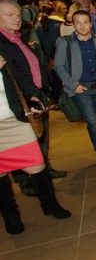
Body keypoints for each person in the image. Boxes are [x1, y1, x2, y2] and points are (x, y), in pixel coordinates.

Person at [0, 57, 71, 234]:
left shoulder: (3, 53)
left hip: (15, 120)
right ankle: (11, 217)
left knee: (38, 166)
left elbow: (21, 77)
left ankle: (50, 205)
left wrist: (34, 96)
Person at [54, 10, 96, 170]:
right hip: (82, 89)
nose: (82, 25)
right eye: (78, 22)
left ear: (91, 23)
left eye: (85, 22)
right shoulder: (66, 42)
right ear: (73, 24)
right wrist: (73, 85)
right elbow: (59, 66)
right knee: (92, 123)